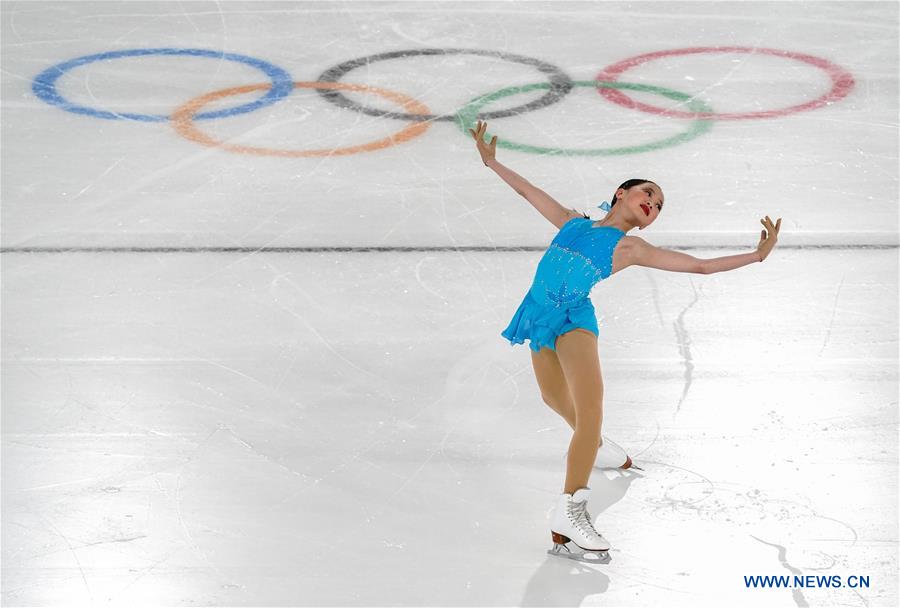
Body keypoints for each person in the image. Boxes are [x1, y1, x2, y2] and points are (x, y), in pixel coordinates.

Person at [469, 120, 781, 562]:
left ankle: (571, 509)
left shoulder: (631, 249)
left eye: (658, 204)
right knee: (554, 400)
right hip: (538, 314)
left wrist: (756, 255)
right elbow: (528, 192)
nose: (652, 203)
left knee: (590, 407)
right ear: (621, 193)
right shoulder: (572, 223)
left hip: (574, 319)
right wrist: (492, 161)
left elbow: (700, 267)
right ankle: (595, 445)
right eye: (648, 193)